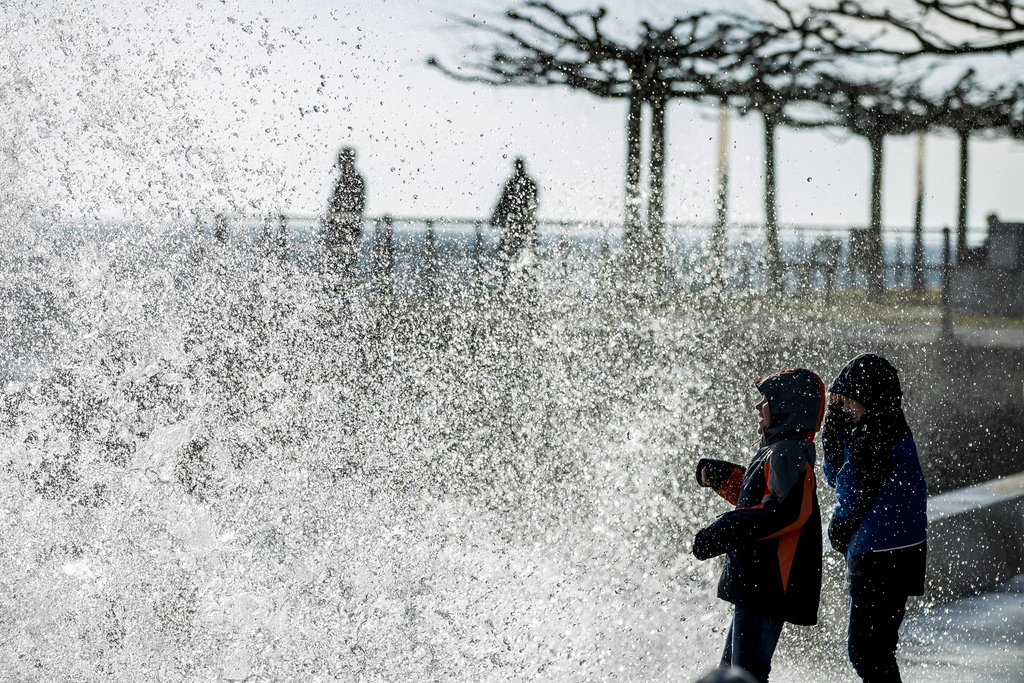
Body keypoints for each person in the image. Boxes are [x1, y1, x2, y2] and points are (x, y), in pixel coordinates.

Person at [692, 368, 825, 683]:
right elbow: (760, 502)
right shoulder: (780, 449)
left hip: (765, 584)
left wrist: (720, 531)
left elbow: (784, 514)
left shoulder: (787, 452)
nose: (758, 407)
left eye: (765, 400)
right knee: (733, 672)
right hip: (758, 583)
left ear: (786, 406)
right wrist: (725, 478)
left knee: (745, 673)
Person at [821, 353, 927, 683]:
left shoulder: (872, 438)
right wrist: (837, 439)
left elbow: (849, 488)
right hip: (906, 551)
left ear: (871, 397)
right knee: (880, 648)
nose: (847, 408)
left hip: (878, 554)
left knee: (865, 651)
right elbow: (843, 477)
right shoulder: (892, 426)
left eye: (853, 401)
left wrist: (839, 527)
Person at [491, 156, 538, 275]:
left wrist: (496, 218)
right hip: (523, 225)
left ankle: (508, 281)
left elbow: (502, 203)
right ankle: (526, 282)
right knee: (526, 255)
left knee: (509, 254)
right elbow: (534, 203)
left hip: (514, 224)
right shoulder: (527, 183)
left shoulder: (513, 183)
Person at [324, 146, 366, 275]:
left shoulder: (351, 180)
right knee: (344, 262)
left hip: (345, 227)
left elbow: (354, 205)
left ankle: (339, 288)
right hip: (345, 227)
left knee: (341, 262)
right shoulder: (353, 179)